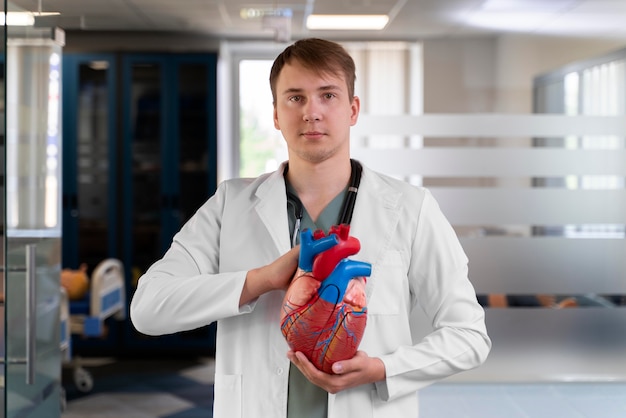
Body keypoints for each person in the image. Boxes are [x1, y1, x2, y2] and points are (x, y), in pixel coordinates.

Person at [130, 38, 491, 418]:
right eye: (295, 97)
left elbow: (469, 337)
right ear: (275, 114)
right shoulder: (230, 204)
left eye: (328, 95)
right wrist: (261, 280)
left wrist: (384, 369)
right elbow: (149, 309)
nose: (311, 112)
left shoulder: (411, 208)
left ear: (353, 109)